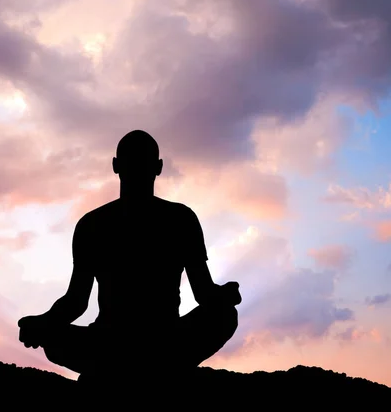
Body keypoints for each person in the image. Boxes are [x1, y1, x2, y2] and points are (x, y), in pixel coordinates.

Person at [18, 130, 241, 384]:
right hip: (140, 342)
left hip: (140, 342)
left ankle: (119, 369)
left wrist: (44, 324)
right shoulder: (178, 219)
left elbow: (75, 302)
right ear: (158, 167)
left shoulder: (94, 224)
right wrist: (44, 323)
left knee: (223, 314)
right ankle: (164, 367)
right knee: (223, 314)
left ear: (115, 166)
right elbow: (205, 293)